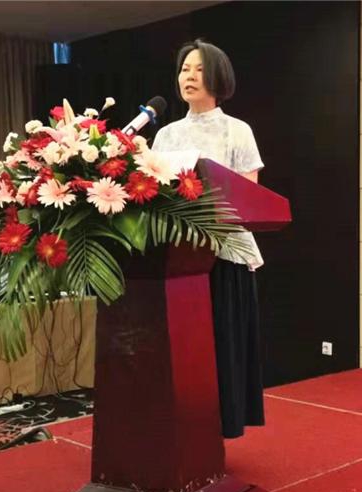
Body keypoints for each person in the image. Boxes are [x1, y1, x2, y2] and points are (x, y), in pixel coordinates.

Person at [152, 39, 265, 438]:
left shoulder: (238, 131)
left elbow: (249, 197)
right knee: (181, 351)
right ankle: (179, 431)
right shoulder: (165, 135)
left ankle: (217, 431)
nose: (189, 76)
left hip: (224, 255)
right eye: (185, 69)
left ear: (218, 76)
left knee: (220, 346)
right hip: (174, 257)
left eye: (199, 69)